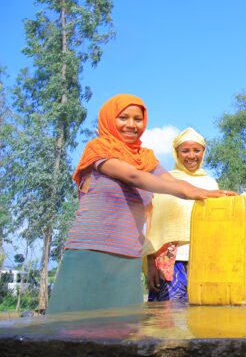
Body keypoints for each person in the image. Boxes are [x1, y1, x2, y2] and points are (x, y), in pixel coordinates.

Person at [46, 94, 234, 314]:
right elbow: (135, 177)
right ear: (109, 119)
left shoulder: (145, 158)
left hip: (127, 255)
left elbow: (172, 182)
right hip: (92, 250)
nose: (131, 125)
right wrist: (192, 191)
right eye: (123, 117)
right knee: (70, 325)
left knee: (120, 330)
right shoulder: (98, 149)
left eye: (138, 119)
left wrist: (213, 195)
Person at [144, 128, 219, 301]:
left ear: (203, 152)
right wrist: (151, 265)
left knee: (201, 317)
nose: (191, 156)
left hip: (203, 260)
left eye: (196, 150)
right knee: (168, 318)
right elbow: (152, 224)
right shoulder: (165, 181)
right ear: (176, 153)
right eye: (185, 151)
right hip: (170, 262)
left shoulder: (210, 183)